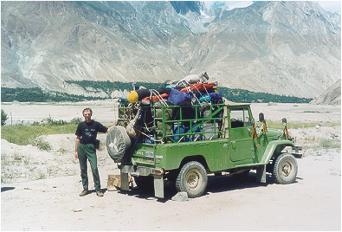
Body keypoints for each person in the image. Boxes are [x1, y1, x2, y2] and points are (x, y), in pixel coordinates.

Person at [75, 108, 108, 197]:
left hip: (91, 147)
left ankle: (98, 189)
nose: (87, 115)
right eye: (85, 114)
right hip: (81, 147)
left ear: (91, 114)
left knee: (94, 168)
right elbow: (77, 138)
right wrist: (76, 151)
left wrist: (115, 127)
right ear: (83, 115)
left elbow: (106, 130)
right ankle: (85, 189)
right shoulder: (81, 125)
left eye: (88, 114)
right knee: (83, 169)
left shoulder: (96, 124)